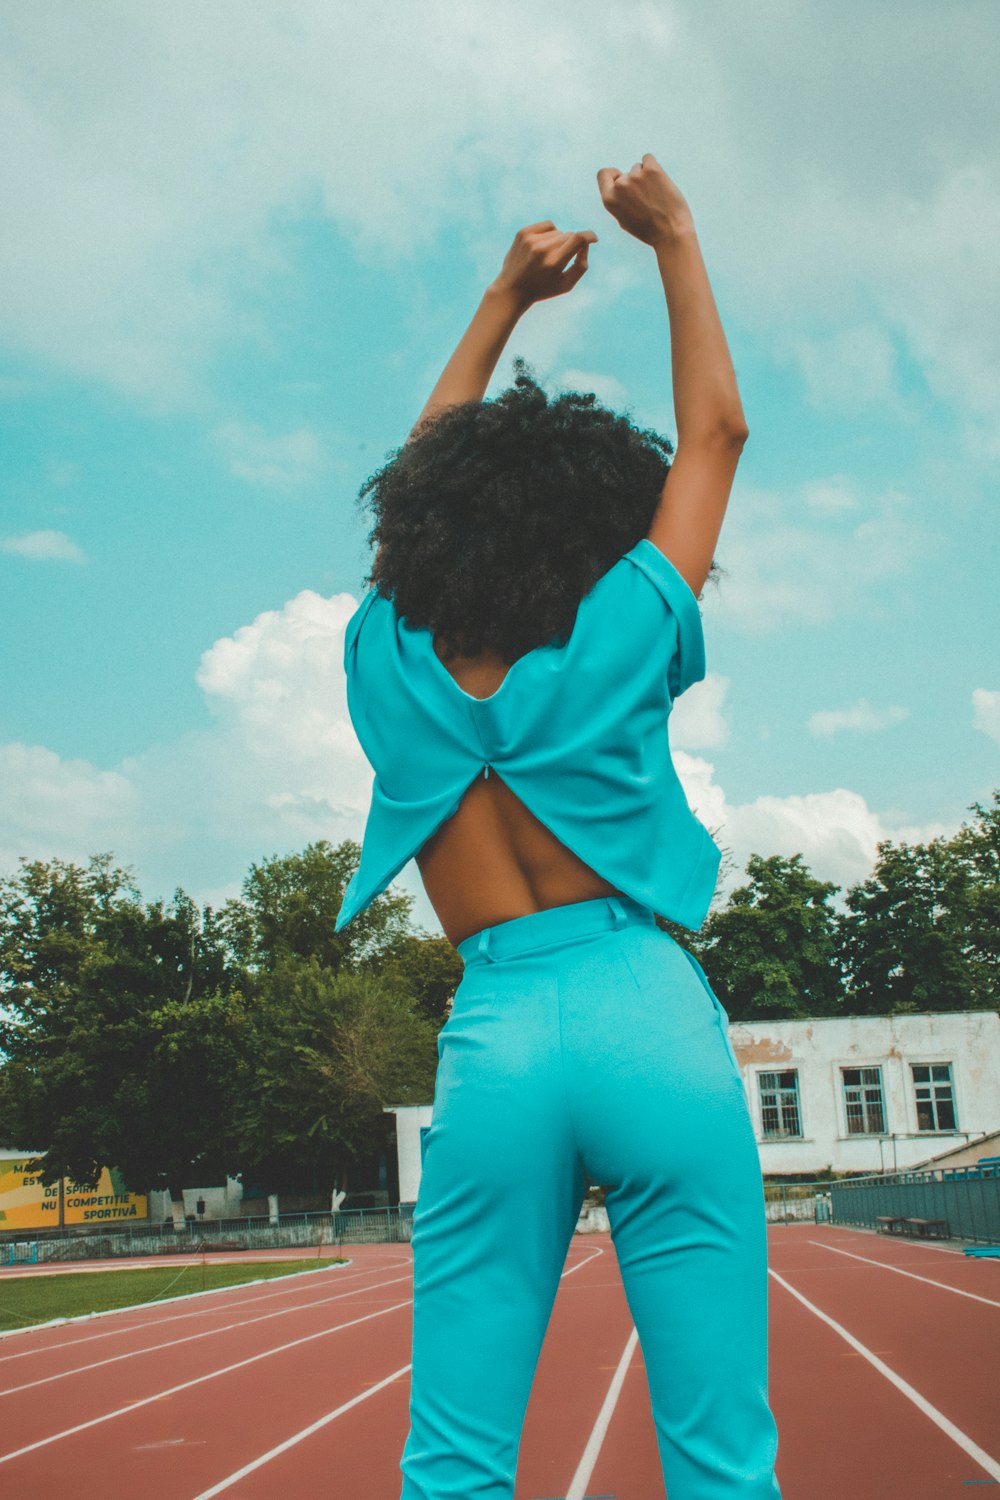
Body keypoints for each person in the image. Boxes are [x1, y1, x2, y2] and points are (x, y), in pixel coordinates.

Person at [336, 153, 782, 1499]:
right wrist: (675, 239)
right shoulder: (620, 633)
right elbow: (717, 437)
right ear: (594, 524)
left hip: (499, 1038)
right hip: (647, 1014)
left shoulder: (382, 660)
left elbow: (420, 479)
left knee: (457, 1456)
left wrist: (502, 300)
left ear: (420, 532)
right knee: (720, 1454)